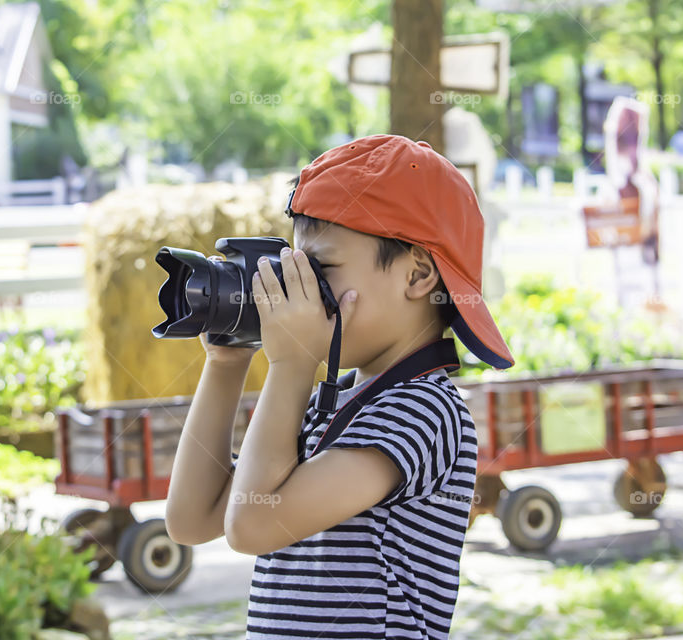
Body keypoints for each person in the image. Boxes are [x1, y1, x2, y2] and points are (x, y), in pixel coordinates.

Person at [165, 134, 515, 639]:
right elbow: (192, 519)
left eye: (321, 270)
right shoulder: (335, 403)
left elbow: (252, 527)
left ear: (418, 275)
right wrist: (227, 361)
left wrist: (292, 364)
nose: (300, 291)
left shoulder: (423, 411)